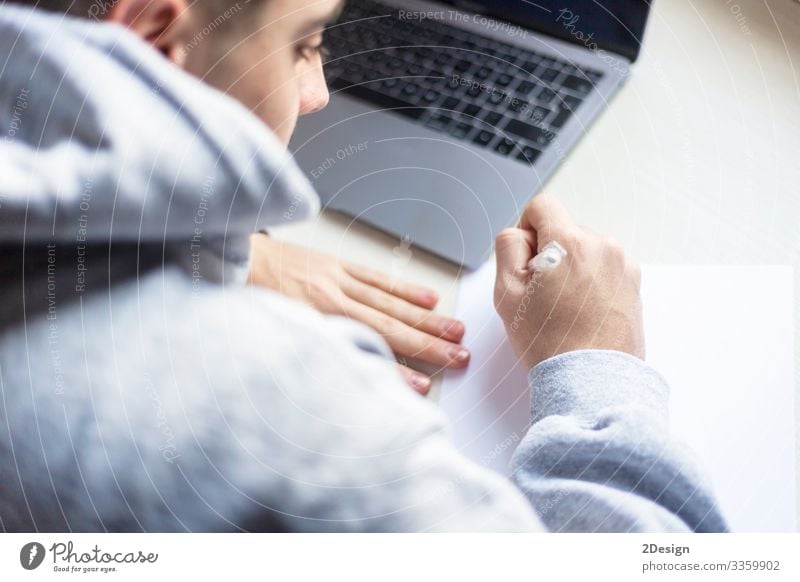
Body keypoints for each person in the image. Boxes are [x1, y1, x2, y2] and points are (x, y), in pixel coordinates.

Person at [0, 0, 728, 532]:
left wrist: (194, 248)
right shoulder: (294, 410)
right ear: (158, 33)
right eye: (304, 44)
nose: (319, 94)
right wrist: (597, 364)